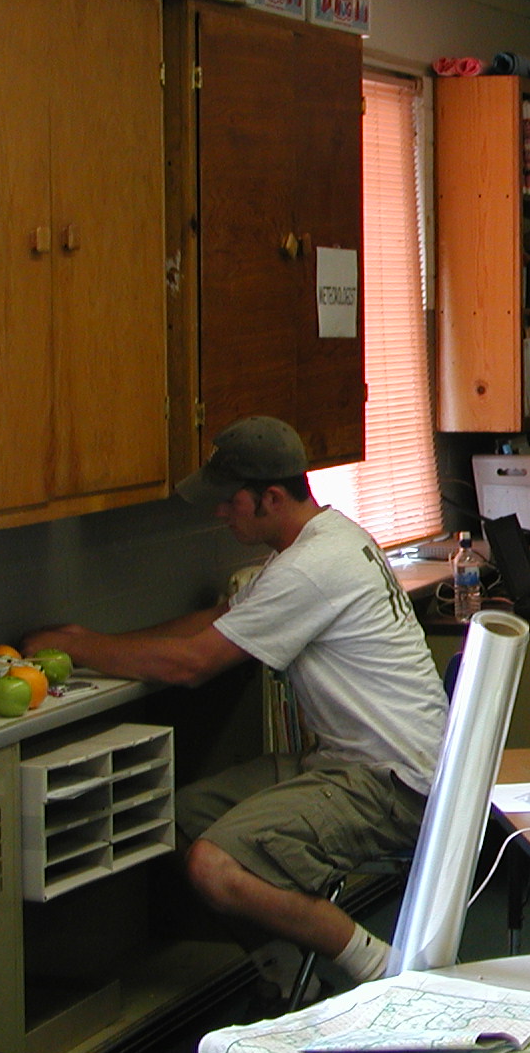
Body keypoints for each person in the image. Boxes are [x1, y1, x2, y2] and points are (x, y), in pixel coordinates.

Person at [23, 417, 448, 999]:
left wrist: (78, 646)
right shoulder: (329, 538)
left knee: (215, 866)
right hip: (351, 764)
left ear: (270, 497)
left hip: (391, 786)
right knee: (170, 820)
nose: (220, 514)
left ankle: (382, 970)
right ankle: (291, 980)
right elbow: (216, 625)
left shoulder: (310, 568)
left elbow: (192, 664)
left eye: (229, 502)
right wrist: (98, 641)